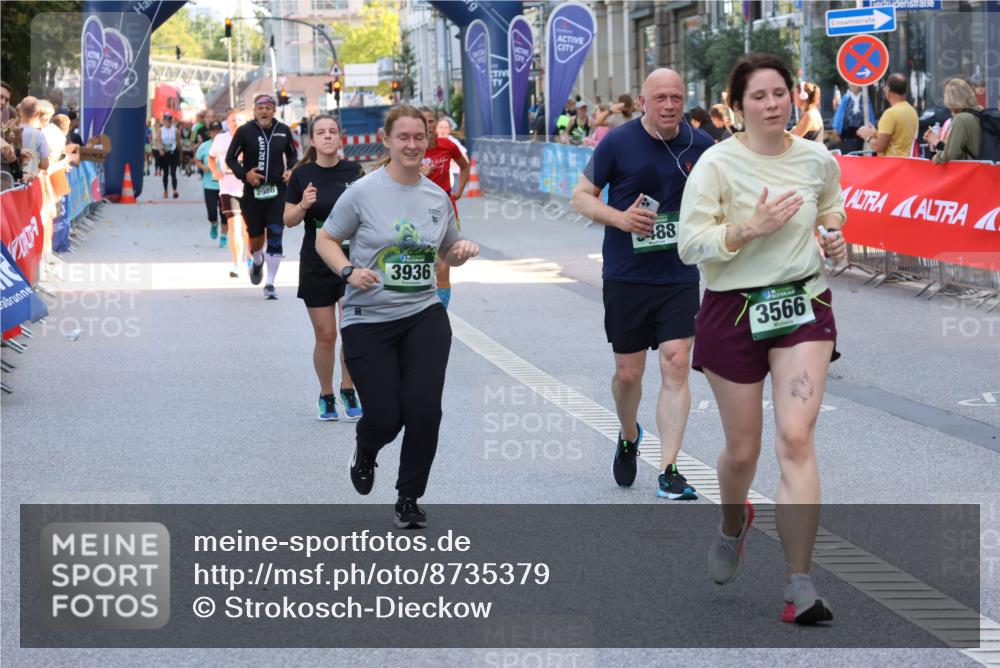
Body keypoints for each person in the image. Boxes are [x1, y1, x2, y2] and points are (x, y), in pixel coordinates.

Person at [677, 52, 846, 625]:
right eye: (759, 96)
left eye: (781, 93)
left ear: (795, 98)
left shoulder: (817, 159)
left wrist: (836, 240)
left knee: (796, 438)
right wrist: (752, 228)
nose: (773, 104)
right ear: (736, 107)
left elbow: (831, 213)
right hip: (732, 309)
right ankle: (732, 524)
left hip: (802, 306)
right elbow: (689, 245)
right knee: (743, 450)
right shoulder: (716, 166)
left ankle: (800, 585)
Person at [315, 104, 480, 529]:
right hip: (368, 319)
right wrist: (348, 270)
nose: (411, 144)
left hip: (423, 313)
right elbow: (326, 240)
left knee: (425, 411)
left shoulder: (436, 196)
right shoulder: (363, 192)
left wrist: (459, 254)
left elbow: (446, 250)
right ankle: (366, 448)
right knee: (386, 417)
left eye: (418, 137)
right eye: (403, 137)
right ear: (387, 141)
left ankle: (409, 496)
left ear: (428, 142)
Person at [570, 68, 714, 499]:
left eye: (676, 97)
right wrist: (622, 218)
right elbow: (580, 196)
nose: (669, 105)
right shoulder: (618, 141)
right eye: (660, 98)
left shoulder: (703, 146)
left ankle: (669, 468)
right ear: (644, 101)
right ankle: (629, 432)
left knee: (675, 361)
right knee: (628, 375)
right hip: (626, 275)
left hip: (678, 274)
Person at [283, 114, 365, 421]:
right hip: (316, 262)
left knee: (352, 330)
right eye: (321, 132)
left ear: (340, 138)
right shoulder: (302, 175)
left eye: (333, 132)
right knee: (326, 335)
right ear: (312, 140)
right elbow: (288, 221)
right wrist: (303, 205)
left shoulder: (354, 172)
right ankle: (326, 394)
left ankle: (348, 388)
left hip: (349, 260)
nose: (328, 136)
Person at [225, 94, 298, 299]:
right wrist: (245, 175)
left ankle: (270, 283)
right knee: (256, 238)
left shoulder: (283, 131)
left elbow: (292, 155)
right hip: (253, 192)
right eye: (260, 108)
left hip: (277, 190)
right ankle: (257, 262)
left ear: (274, 110)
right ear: (254, 110)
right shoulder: (244, 131)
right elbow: (230, 158)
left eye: (268, 108)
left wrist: (291, 169)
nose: (264, 111)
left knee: (276, 233)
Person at [419, 107, 469, 310]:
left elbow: (464, 166)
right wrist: (420, 173)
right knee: (423, 270)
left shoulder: (447, 145)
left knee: (442, 269)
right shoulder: (411, 149)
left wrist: (458, 190)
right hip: (419, 215)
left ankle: (440, 313)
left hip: (446, 212)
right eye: (424, 121)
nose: (429, 126)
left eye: (432, 121)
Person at [210, 109, 250, 277]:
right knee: (234, 226)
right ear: (228, 122)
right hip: (228, 188)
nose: (236, 122)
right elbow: (211, 157)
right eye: (233, 119)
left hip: (248, 188)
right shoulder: (220, 139)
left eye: (240, 120)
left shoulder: (251, 139)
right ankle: (237, 264)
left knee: (248, 228)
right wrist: (215, 171)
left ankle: (250, 258)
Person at [924, 78, 984, 164]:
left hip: (968, 172)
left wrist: (935, 158)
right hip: (984, 170)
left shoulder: (961, 119)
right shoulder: (979, 112)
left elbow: (950, 155)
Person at [857, 73, 918, 157]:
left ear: (888, 90)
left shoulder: (890, 114)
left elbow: (879, 147)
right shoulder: (912, 111)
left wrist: (867, 136)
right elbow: (896, 140)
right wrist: (875, 133)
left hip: (893, 165)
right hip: (908, 164)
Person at [193, 120, 224, 243]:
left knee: (224, 213)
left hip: (225, 185)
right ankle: (214, 224)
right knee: (212, 213)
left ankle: (224, 237)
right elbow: (197, 160)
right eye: (213, 132)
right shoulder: (204, 146)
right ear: (210, 133)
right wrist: (203, 167)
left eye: (218, 131)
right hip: (209, 184)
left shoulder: (228, 145)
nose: (216, 134)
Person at [831, 84, 875, 155]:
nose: (853, 87)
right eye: (852, 85)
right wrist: (836, 127)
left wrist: (872, 125)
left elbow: (869, 112)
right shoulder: (846, 98)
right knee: (847, 149)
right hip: (847, 129)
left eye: (855, 85)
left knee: (858, 149)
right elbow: (840, 113)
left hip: (860, 128)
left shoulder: (864, 97)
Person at [155, 111, 180, 198]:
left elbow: (178, 141)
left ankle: (174, 190)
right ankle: (165, 190)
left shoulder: (176, 130)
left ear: (171, 120)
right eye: (166, 119)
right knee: (165, 173)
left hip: (173, 153)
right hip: (164, 153)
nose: (168, 121)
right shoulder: (160, 130)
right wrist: (160, 150)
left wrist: (179, 152)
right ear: (163, 120)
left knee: (173, 172)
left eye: (169, 119)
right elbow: (157, 142)